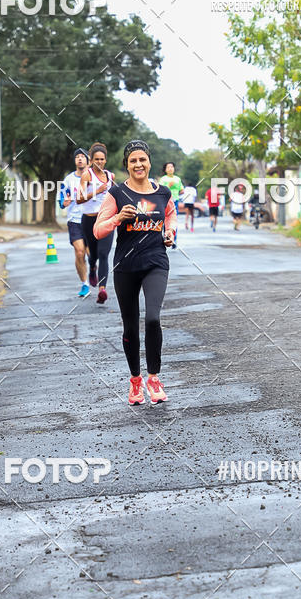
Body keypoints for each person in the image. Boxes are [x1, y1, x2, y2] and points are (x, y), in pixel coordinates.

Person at [94, 139, 177, 405]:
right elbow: (98, 230)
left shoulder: (163, 192)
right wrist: (118, 218)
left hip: (156, 262)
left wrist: (169, 232)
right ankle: (135, 382)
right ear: (126, 165)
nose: (138, 164)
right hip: (126, 266)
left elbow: (170, 215)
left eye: (142, 159)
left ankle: (154, 378)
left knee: (153, 317)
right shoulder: (116, 195)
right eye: (133, 161)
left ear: (149, 161)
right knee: (130, 326)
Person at [77, 143, 115, 304]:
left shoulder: (110, 176)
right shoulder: (87, 175)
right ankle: (92, 268)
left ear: (105, 160)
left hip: (106, 219)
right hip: (89, 220)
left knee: (104, 254)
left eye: (102, 159)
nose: (99, 162)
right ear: (91, 160)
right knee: (93, 254)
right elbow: (79, 198)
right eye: (96, 159)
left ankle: (102, 290)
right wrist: (97, 191)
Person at [58, 147, 90, 298]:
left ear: (87, 160)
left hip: (91, 219)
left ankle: (94, 272)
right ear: (74, 160)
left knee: (92, 255)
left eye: (82, 157)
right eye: (77, 157)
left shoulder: (93, 178)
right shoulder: (68, 180)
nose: (80, 159)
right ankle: (85, 284)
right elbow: (61, 201)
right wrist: (65, 202)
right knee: (79, 252)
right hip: (75, 221)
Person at [159, 162, 184, 248]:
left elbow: (182, 190)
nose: (170, 168)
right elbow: (160, 190)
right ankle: (165, 237)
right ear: (165, 170)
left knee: (173, 220)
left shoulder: (177, 179)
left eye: (172, 167)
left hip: (175, 201)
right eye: (168, 167)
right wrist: (169, 187)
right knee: (165, 220)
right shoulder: (163, 179)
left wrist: (176, 193)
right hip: (165, 201)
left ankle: (174, 239)